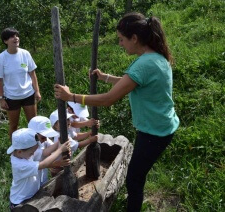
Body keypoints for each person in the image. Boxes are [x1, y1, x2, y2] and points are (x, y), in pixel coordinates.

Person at [54, 12, 179, 212]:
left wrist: (72, 97)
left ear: (134, 38)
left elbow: (109, 99)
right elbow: (131, 82)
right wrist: (104, 77)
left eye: (122, 39)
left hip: (155, 133)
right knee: (137, 175)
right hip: (160, 127)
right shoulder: (155, 57)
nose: (120, 44)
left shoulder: (144, 64)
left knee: (134, 180)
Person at [0, 27, 41, 141]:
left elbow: (32, 74)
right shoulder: (1, 58)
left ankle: (36, 146)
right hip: (12, 97)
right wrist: (2, 98)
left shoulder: (25, 54)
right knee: (14, 126)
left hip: (28, 94)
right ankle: (15, 150)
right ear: (5, 41)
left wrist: (37, 91)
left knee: (33, 123)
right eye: (12, 36)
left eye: (16, 35)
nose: (16, 38)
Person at [7, 128, 70, 211]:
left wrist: (58, 144)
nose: (33, 154)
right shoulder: (20, 165)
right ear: (19, 152)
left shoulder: (24, 154)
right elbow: (43, 164)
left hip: (30, 196)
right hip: (20, 202)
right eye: (31, 152)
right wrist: (60, 150)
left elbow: (43, 154)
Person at [49, 109, 98, 176]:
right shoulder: (61, 137)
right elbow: (78, 145)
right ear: (56, 125)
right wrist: (90, 140)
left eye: (68, 119)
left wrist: (88, 133)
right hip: (59, 165)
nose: (68, 122)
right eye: (65, 120)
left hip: (60, 162)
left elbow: (76, 136)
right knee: (60, 180)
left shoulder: (66, 130)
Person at [28, 116, 70, 185]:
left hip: (42, 178)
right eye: (43, 137)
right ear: (34, 135)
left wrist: (62, 144)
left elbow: (53, 149)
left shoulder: (44, 139)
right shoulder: (29, 148)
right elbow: (44, 153)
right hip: (32, 183)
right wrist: (60, 148)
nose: (45, 139)